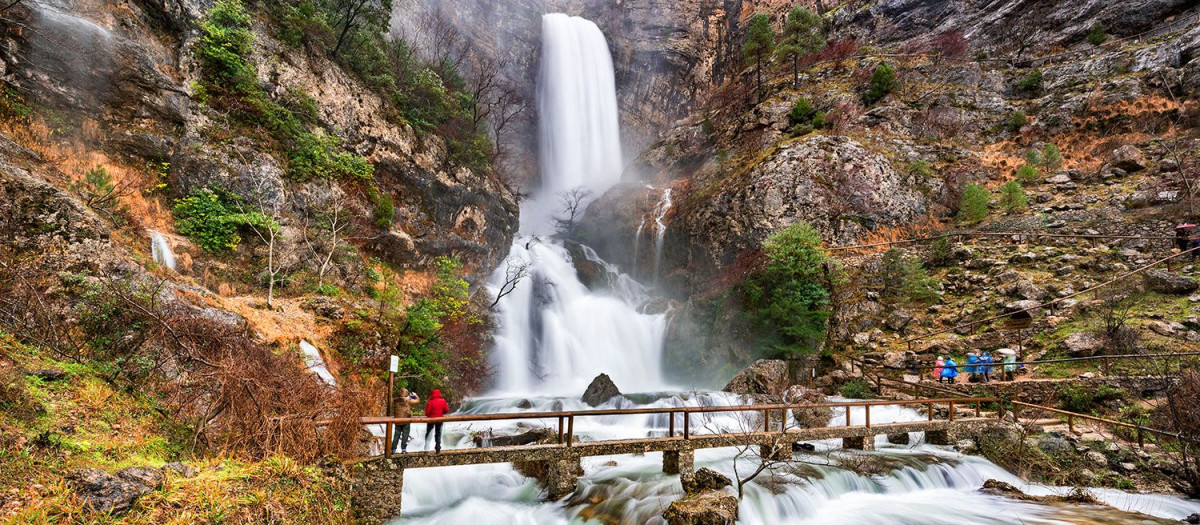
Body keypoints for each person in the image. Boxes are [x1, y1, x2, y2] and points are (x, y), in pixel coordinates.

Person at [391, 388, 420, 453]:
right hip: (405, 419)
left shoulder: (396, 400)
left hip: (397, 420)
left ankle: (393, 449)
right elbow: (417, 400)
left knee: (396, 435)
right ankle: (403, 449)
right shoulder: (407, 400)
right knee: (405, 435)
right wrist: (415, 395)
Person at [424, 388, 451, 453]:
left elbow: (427, 412)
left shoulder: (430, 401)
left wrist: (431, 415)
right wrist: (441, 413)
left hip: (431, 419)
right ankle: (438, 447)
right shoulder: (443, 401)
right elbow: (447, 410)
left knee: (429, 432)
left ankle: (426, 447)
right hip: (440, 419)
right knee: (438, 433)